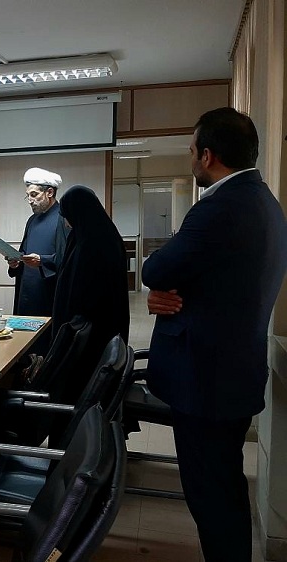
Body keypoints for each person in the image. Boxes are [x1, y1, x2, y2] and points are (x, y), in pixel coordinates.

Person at [143, 107, 287, 561]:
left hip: (206, 381)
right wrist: (167, 293)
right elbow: (217, 282)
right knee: (223, 487)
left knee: (211, 495)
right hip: (231, 372)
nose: (191, 160)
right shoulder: (263, 201)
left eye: (191, 151)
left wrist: (162, 285)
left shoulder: (219, 208)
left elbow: (156, 269)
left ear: (207, 156)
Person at [51, 185, 129, 407]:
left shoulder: (97, 243)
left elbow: (88, 293)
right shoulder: (88, 234)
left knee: (85, 381)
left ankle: (80, 420)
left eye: (67, 216)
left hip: (94, 329)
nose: (66, 222)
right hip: (89, 325)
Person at [8, 167, 69, 318]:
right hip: (27, 289)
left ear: (49, 192)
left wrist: (42, 261)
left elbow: (68, 258)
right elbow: (24, 252)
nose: (30, 200)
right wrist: (16, 262)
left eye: (34, 195)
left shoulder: (64, 218)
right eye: (28, 195)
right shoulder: (32, 220)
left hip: (49, 291)